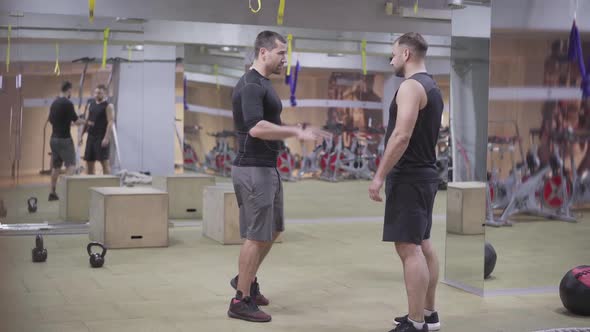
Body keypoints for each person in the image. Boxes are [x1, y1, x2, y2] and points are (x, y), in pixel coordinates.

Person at [227, 30, 330, 323]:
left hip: (267, 165)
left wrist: (296, 127)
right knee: (256, 234)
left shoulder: (263, 84)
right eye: (281, 53)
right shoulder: (250, 85)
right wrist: (295, 132)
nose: (285, 59)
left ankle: (245, 279)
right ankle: (240, 301)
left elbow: (269, 123)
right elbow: (256, 128)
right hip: (252, 167)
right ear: (263, 53)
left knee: (272, 230)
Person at [368, 32, 444, 332]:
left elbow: (401, 136)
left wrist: (379, 176)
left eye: (394, 54)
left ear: (407, 55)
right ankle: (428, 314)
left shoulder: (410, 87)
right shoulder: (433, 87)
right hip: (425, 175)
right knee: (423, 245)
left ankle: (416, 323)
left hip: (409, 177)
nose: (391, 59)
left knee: (408, 248)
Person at [47, 81, 86, 201]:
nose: (71, 93)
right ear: (69, 90)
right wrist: (86, 121)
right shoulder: (68, 103)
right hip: (64, 139)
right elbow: (76, 121)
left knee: (56, 167)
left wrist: (65, 123)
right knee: (71, 166)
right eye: (71, 91)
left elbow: (51, 120)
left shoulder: (54, 103)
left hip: (53, 139)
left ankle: (52, 193)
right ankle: (66, 194)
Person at [80, 84, 114, 175]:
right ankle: (91, 184)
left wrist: (106, 138)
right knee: (89, 162)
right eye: (95, 93)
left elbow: (110, 122)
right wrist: (81, 136)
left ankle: (108, 186)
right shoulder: (91, 104)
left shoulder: (108, 106)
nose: (96, 95)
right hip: (91, 137)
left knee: (104, 163)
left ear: (104, 94)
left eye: (99, 93)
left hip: (101, 137)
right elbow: (87, 121)